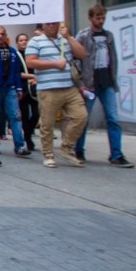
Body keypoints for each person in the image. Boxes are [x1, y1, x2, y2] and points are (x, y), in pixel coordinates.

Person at [74, 4, 134, 168]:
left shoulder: (109, 36)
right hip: (90, 83)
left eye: (103, 18)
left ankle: (116, 154)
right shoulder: (83, 36)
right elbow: (76, 60)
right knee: (83, 119)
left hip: (106, 81)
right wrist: (80, 83)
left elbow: (113, 58)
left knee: (113, 119)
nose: (101, 21)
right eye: (98, 18)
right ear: (90, 18)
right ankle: (78, 150)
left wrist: (114, 79)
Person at [25, 22, 87, 168]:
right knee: (48, 123)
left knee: (81, 116)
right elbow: (30, 62)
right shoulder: (36, 41)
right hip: (48, 88)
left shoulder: (64, 39)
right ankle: (48, 154)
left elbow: (82, 54)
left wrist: (69, 37)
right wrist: (54, 64)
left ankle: (66, 147)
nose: (52, 25)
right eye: (49, 23)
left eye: (54, 22)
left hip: (69, 87)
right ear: (43, 26)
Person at [0, 26, 30, 158]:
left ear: (6, 36)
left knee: (15, 116)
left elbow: (16, 71)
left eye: (2, 34)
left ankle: (19, 145)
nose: (0, 36)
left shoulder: (12, 52)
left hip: (10, 88)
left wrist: (19, 88)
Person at [15, 33, 39, 152]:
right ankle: (28, 140)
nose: (24, 42)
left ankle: (28, 133)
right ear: (17, 43)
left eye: (25, 40)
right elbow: (17, 73)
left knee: (36, 113)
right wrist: (31, 76)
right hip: (22, 88)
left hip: (34, 88)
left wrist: (36, 78)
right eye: (21, 40)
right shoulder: (16, 55)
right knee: (24, 115)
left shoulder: (33, 54)